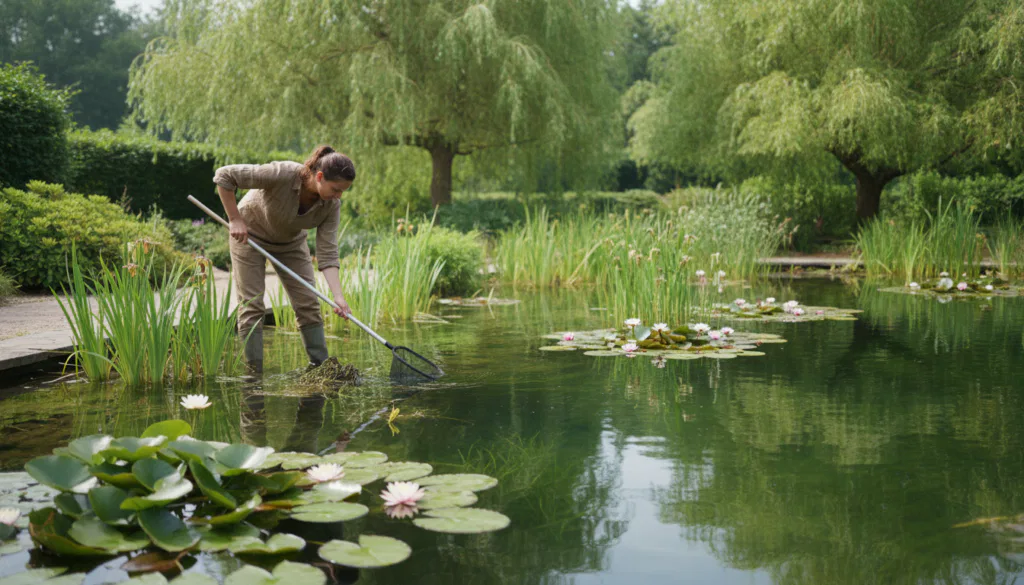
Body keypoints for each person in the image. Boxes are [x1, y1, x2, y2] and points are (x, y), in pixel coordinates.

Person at [213, 145, 354, 373]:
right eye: (336, 189)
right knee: (252, 305)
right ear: (319, 177)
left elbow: (327, 253)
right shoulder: (283, 173)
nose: (339, 196)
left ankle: (320, 368)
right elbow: (224, 176)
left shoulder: (331, 206)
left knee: (308, 302)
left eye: (343, 191)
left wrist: (339, 297)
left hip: (291, 243)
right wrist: (235, 219)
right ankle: (253, 372)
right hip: (249, 236)